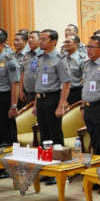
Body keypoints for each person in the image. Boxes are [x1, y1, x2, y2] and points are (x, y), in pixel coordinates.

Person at [35, 29, 72, 165]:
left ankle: (59, 165)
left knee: (55, 133)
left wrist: (61, 105)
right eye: (40, 38)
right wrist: (35, 104)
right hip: (40, 99)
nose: (40, 41)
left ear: (54, 42)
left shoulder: (59, 59)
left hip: (53, 98)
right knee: (43, 133)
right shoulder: (39, 58)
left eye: (44, 39)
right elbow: (38, 82)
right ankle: (45, 163)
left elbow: (66, 83)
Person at [18, 31, 41, 109]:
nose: (29, 40)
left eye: (32, 38)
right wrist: (21, 90)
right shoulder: (26, 55)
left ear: (39, 40)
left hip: (39, 93)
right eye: (29, 38)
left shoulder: (43, 54)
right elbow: (22, 73)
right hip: (27, 93)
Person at [63, 34, 87, 105]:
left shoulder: (82, 59)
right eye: (65, 42)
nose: (65, 44)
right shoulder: (62, 58)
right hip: (62, 92)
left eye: (68, 42)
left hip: (76, 92)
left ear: (76, 44)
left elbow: (86, 80)